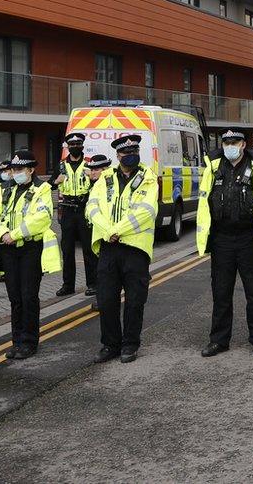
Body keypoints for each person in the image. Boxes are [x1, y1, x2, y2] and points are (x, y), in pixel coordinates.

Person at [196, 130, 253, 358]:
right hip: (222, 239)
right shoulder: (213, 167)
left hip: (250, 238)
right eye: (226, 142)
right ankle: (219, 340)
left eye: (235, 142)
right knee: (221, 293)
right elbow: (205, 200)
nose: (230, 146)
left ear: (243, 144)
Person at [0, 150, 61, 360]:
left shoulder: (41, 189)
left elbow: (41, 218)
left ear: (31, 170)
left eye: (19, 169)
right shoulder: (4, 189)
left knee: (28, 297)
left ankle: (29, 342)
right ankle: (16, 341)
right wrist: (2, 233)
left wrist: (14, 234)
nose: (15, 173)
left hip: (29, 250)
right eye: (13, 170)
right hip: (8, 249)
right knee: (15, 298)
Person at [86, 135, 159, 364]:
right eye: (125, 153)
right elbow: (92, 207)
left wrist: (118, 229)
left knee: (135, 300)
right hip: (109, 247)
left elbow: (147, 211)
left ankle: (130, 344)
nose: (130, 155)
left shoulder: (148, 178)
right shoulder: (105, 178)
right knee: (106, 300)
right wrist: (109, 231)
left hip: (135, 248)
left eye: (134, 151)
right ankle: (110, 345)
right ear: (117, 156)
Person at [51, 133, 97, 297]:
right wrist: (56, 182)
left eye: (78, 144)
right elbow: (49, 185)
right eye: (72, 144)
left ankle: (92, 283)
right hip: (68, 210)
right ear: (68, 147)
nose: (75, 147)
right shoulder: (61, 166)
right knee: (67, 250)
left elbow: (100, 183)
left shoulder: (89, 164)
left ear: (82, 146)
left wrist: (92, 179)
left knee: (88, 250)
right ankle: (68, 285)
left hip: (84, 208)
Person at [83, 154, 112, 311]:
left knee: (104, 270)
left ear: (105, 170)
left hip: (105, 233)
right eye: (91, 169)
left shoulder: (108, 187)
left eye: (96, 170)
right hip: (93, 231)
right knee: (98, 268)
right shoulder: (94, 185)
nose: (92, 172)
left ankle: (103, 299)